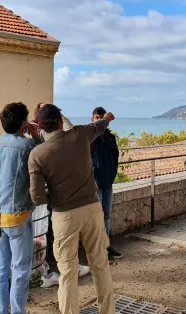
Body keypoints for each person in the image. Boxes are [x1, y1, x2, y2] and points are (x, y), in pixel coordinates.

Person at [28, 104, 116, 314]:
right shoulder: (79, 135)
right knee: (100, 266)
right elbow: (100, 125)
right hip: (92, 209)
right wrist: (109, 118)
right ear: (60, 121)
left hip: (63, 215)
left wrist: (58, 195)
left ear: (40, 127)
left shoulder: (37, 154)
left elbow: (37, 196)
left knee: (67, 273)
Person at [0, 102, 42, 314]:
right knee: (20, 269)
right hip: (19, 215)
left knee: (0, 268)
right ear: (23, 123)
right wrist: (35, 134)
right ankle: (18, 311)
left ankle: (1, 311)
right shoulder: (29, 147)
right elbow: (46, 153)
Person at [30, 102, 91, 288]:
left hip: (49, 196)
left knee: (54, 236)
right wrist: (60, 116)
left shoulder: (41, 137)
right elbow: (72, 132)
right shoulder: (36, 139)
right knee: (53, 236)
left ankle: (55, 270)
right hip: (52, 197)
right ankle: (55, 271)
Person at [90, 107, 122, 259]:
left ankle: (106, 246)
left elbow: (115, 158)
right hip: (95, 184)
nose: (100, 120)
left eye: (102, 117)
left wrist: (112, 175)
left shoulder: (110, 138)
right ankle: (98, 250)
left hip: (108, 182)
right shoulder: (89, 139)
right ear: (92, 120)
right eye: (97, 117)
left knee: (106, 216)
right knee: (97, 217)